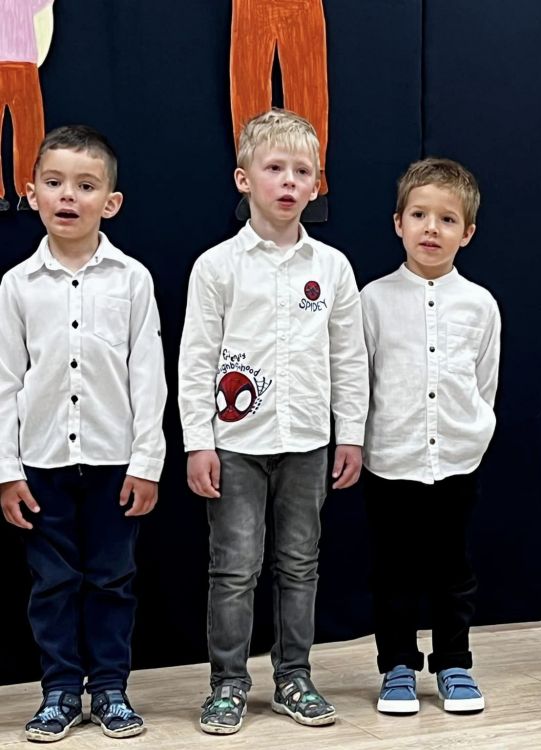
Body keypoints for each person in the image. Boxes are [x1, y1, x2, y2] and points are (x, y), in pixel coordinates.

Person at [178, 109, 368, 734]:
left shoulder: (332, 268)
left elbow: (349, 357)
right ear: (244, 179)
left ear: (317, 185)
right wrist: (198, 442)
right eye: (275, 168)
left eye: (302, 171)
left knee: (300, 564)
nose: (289, 181)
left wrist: (351, 434)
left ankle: (294, 677)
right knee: (235, 568)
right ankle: (228, 683)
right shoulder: (216, 267)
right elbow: (196, 359)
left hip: (308, 442)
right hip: (235, 444)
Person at [0, 125, 167, 741]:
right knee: (52, 585)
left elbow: (148, 375)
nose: (68, 195)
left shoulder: (132, 279)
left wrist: (147, 461)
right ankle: (61, 691)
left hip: (113, 461)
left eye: (86, 185)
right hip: (41, 462)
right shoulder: (17, 285)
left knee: (112, 581)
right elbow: (4, 382)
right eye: (54, 182)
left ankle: (112, 689)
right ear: (31, 193)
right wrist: (6, 470)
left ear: (111, 202)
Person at [361, 157, 500, 715]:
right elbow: (361, 380)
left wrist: (473, 434)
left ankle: (454, 664)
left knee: (452, 570)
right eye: (419, 215)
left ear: (467, 232)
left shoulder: (480, 304)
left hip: (457, 462)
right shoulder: (373, 300)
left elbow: (485, 382)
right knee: (393, 572)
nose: (431, 229)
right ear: (398, 222)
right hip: (391, 460)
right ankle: (397, 665)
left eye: (447, 219)